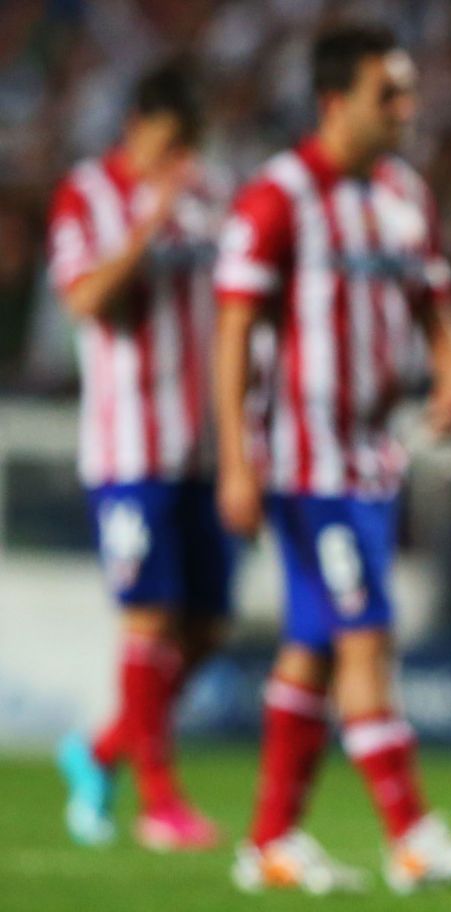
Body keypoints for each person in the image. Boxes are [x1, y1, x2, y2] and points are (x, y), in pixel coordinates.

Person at [211, 24, 451, 895]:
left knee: (316, 648)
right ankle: (410, 835)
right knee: (366, 631)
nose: (405, 110)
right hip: (306, 460)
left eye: (406, 92)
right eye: (387, 95)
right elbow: (232, 333)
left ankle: (270, 843)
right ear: (335, 102)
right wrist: (235, 459)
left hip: (373, 457)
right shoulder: (277, 198)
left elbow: (439, 307)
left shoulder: (404, 194)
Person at [51, 59, 230, 854]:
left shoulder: (208, 197)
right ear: (138, 125)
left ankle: (99, 750)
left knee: (210, 626)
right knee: (151, 619)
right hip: (130, 450)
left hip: (206, 447)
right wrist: (146, 228)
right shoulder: (88, 195)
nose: (180, 159)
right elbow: (85, 300)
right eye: (171, 141)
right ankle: (160, 802)